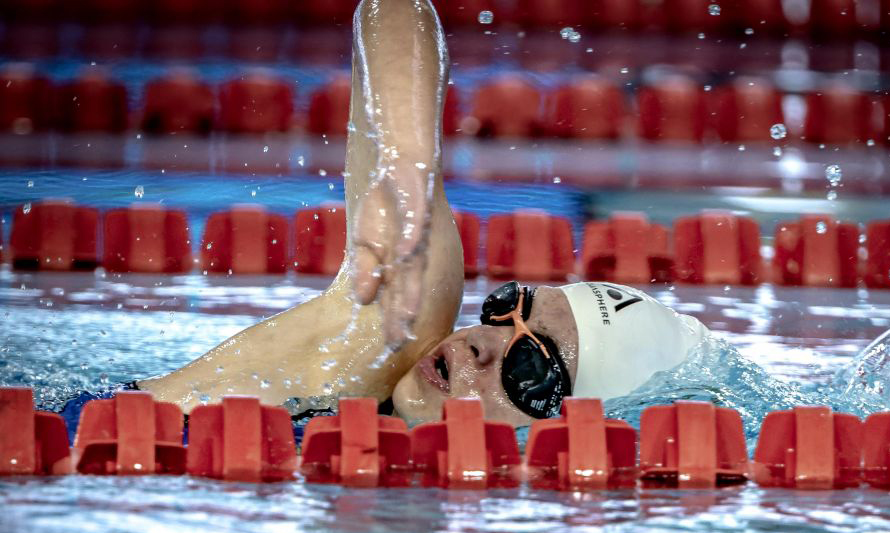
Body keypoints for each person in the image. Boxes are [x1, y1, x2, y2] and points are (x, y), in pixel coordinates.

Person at [128, 0, 710, 429]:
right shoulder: (366, 359)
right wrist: (406, 166)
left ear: (571, 427)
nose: (483, 343)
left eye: (530, 366)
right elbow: (395, 7)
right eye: (509, 310)